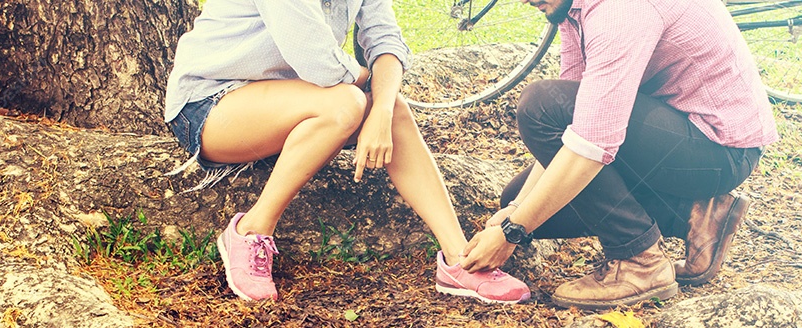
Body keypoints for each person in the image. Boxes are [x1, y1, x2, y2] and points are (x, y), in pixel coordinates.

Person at [164, 0, 530, 304]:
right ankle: (249, 231)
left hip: (294, 102)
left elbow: (385, 42)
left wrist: (383, 111)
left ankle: (458, 259)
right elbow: (320, 65)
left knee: (393, 109)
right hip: (211, 105)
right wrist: (371, 89)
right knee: (347, 103)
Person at [460, 0, 779, 310]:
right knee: (522, 201)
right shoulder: (573, 9)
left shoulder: (620, 8)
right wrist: (515, 213)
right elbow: (571, 128)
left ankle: (640, 261)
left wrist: (512, 233)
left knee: (538, 106)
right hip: (680, 138)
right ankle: (693, 213)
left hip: (718, 149)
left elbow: (587, 139)